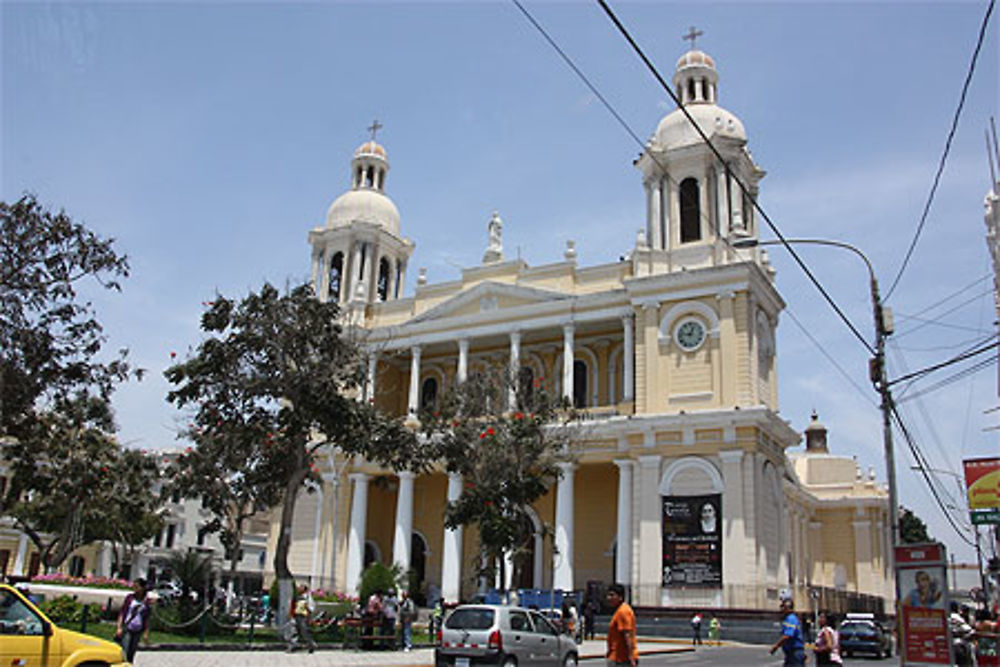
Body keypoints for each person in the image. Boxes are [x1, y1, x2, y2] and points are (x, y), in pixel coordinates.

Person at [115, 578, 152, 663]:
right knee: (125, 650)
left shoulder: (146, 601)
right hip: (128, 627)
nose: (135, 589)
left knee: (132, 652)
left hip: (138, 629)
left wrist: (146, 633)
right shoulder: (130, 598)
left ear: (142, 588)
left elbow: (146, 618)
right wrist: (119, 627)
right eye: (134, 586)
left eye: (137, 587)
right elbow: (122, 612)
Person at [605, 583, 637, 667]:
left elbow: (627, 635)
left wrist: (631, 657)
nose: (609, 598)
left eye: (612, 595)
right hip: (616, 657)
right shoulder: (620, 611)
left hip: (622, 659)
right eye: (608, 595)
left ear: (620, 597)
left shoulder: (623, 611)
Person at [769, 596, 806, 666]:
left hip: (794, 651)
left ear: (787, 608)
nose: (781, 609)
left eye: (783, 607)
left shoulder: (791, 618)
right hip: (791, 652)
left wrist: (776, 646)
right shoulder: (788, 619)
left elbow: (788, 635)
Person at [289, 584, 317, 653]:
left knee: (304, 632)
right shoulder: (296, 597)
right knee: (294, 631)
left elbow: (311, 608)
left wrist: (309, 617)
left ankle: (311, 644)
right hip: (296, 615)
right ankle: (293, 646)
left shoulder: (307, 597)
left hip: (303, 617)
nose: (299, 589)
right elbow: (293, 606)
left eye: (301, 588)